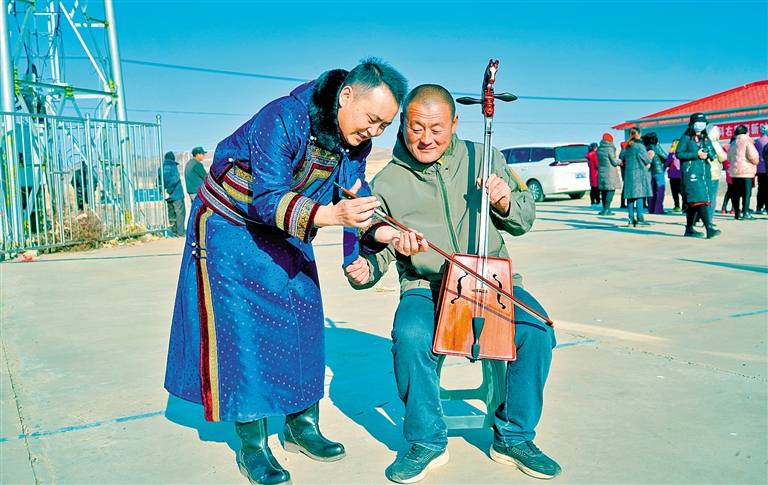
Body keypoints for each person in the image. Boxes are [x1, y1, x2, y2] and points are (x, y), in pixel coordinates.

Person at [163, 58, 407, 485]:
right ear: (346, 95)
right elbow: (268, 197)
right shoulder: (282, 118)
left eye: (384, 126)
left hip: (289, 226)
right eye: (371, 119)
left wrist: (376, 238)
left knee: (304, 320)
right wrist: (331, 216)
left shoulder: (356, 144)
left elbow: (354, 195)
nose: (374, 132)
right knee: (242, 337)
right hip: (229, 226)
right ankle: (253, 446)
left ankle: (301, 426)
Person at [346, 85, 560, 484]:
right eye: (416, 128)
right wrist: (366, 267)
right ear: (403, 125)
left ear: (455, 123)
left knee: (536, 332)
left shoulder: (486, 157)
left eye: (437, 129)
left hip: (490, 281)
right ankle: (426, 441)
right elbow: (381, 245)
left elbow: (523, 220)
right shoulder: (387, 181)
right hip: (426, 286)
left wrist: (504, 203)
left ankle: (514, 437)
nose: (426, 138)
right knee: (411, 336)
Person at [675, 112, 721, 238]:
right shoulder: (686, 138)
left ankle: (689, 228)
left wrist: (710, 154)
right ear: (692, 124)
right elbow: (679, 154)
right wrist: (696, 155)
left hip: (704, 173)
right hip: (691, 173)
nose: (700, 125)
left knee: (693, 202)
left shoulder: (704, 137)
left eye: (703, 123)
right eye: (698, 122)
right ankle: (709, 228)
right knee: (701, 199)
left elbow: (712, 152)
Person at [727, 124, 759, 220]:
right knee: (746, 193)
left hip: (735, 172)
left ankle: (737, 213)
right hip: (746, 172)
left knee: (736, 194)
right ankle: (746, 212)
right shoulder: (748, 142)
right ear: (746, 133)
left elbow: (729, 158)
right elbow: (753, 156)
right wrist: (755, 161)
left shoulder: (733, 143)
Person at [622, 128, 652, 227]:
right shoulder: (639, 146)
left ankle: (631, 219)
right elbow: (647, 160)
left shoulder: (628, 146)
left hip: (629, 174)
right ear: (638, 134)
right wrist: (650, 156)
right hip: (639, 173)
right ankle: (640, 219)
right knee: (640, 195)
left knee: (630, 197)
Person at [160, 151, 186, 237]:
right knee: (180, 212)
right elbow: (175, 179)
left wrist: (163, 191)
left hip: (168, 195)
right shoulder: (173, 167)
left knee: (171, 213)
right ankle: (180, 232)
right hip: (176, 194)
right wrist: (169, 190)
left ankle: (173, 232)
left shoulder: (161, 168)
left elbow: (159, 181)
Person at [642, 132, 668, 215]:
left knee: (652, 190)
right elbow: (665, 157)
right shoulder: (656, 146)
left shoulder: (644, 147)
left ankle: (651, 208)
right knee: (660, 190)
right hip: (658, 171)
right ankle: (658, 209)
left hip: (650, 171)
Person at [597, 133, 621, 215]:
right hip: (610, 172)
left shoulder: (599, 149)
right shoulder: (609, 149)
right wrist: (620, 161)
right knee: (610, 190)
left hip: (602, 171)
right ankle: (607, 209)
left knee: (604, 191)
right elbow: (614, 162)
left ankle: (604, 208)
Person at [665, 140, 682, 212]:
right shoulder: (682, 152)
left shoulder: (672, 153)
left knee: (675, 192)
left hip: (673, 175)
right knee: (682, 191)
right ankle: (686, 206)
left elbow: (666, 163)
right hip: (681, 174)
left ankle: (677, 206)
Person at [754, 124, 768, 214]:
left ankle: (759, 206)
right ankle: (766, 207)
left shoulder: (756, 142)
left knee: (761, 188)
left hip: (759, 169)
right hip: (767, 168)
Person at [586, 142, 600, 206]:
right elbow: (597, 164)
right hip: (596, 173)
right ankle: (598, 201)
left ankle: (592, 201)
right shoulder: (594, 155)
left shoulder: (589, 155)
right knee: (597, 189)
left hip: (591, 173)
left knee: (593, 188)